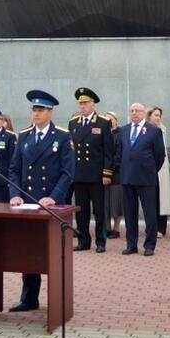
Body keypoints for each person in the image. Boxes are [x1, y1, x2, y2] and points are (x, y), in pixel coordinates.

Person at [8, 89, 74, 312]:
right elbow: (14, 169)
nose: (35, 114)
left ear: (50, 112)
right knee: (29, 251)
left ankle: (59, 300)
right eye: (33, 109)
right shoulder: (24, 136)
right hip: (27, 202)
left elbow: (68, 172)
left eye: (40, 110)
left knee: (54, 253)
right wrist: (14, 194)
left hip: (52, 205)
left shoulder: (62, 137)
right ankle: (29, 298)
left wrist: (54, 197)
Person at [113, 102, 165, 256]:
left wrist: (150, 170)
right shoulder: (124, 130)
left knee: (150, 213)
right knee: (130, 214)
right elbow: (119, 153)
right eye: (132, 111)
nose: (134, 113)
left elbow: (159, 155)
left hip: (146, 179)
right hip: (128, 178)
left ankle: (149, 245)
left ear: (143, 113)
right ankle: (131, 244)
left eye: (137, 111)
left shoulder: (153, 131)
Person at [67, 86, 114, 253]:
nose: (82, 106)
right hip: (79, 174)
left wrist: (107, 173)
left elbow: (108, 151)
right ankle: (83, 240)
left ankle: (100, 241)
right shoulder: (73, 123)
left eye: (86, 103)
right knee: (81, 211)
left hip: (96, 174)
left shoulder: (103, 122)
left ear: (93, 104)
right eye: (80, 104)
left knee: (99, 210)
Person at [146, 105, 170, 237]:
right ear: (149, 116)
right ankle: (152, 227)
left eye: (159, 115)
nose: (158, 118)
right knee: (152, 198)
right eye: (155, 115)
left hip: (162, 168)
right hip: (150, 168)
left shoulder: (162, 129)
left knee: (163, 199)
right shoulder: (146, 130)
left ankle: (161, 227)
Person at [103, 110, 123, 239]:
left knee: (116, 202)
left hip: (117, 174)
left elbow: (119, 154)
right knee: (105, 203)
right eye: (106, 120)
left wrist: (110, 168)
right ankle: (107, 228)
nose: (109, 122)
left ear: (116, 121)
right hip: (103, 173)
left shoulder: (120, 135)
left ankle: (116, 228)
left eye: (111, 119)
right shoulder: (102, 134)